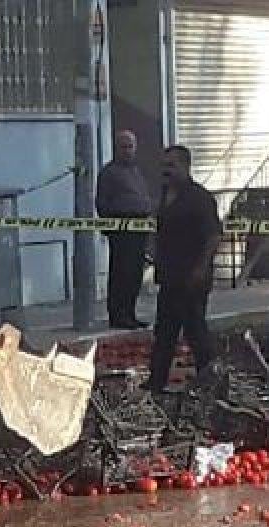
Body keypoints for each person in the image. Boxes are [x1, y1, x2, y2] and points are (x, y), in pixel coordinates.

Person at [144, 145, 222, 393]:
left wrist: (201, 267)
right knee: (164, 331)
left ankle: (210, 382)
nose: (166, 171)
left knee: (195, 331)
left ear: (186, 167)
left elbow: (213, 236)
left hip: (192, 277)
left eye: (172, 166)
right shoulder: (166, 195)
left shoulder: (199, 198)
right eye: (164, 166)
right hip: (169, 275)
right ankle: (156, 382)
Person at [96, 129, 154, 330]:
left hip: (139, 229)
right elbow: (102, 203)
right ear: (116, 149)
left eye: (130, 147)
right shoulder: (109, 173)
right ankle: (118, 315)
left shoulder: (136, 172)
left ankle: (130, 313)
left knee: (135, 274)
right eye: (123, 147)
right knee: (121, 273)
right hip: (122, 231)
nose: (127, 151)